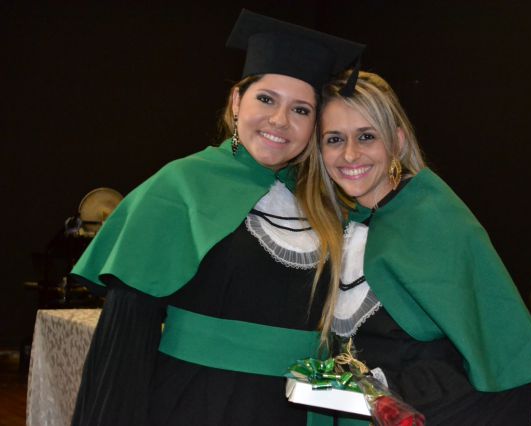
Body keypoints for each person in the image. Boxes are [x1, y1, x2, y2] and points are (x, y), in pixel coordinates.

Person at [69, 10, 364, 426]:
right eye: (266, 99)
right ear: (236, 102)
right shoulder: (180, 186)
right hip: (198, 404)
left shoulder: (327, 204)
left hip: (296, 412)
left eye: (301, 109)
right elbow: (125, 339)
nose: (280, 120)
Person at [296, 71, 531, 425]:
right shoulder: (348, 226)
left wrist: (389, 392)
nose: (350, 154)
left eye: (366, 136)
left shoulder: (435, 217)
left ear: (397, 141)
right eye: (334, 139)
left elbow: (494, 356)